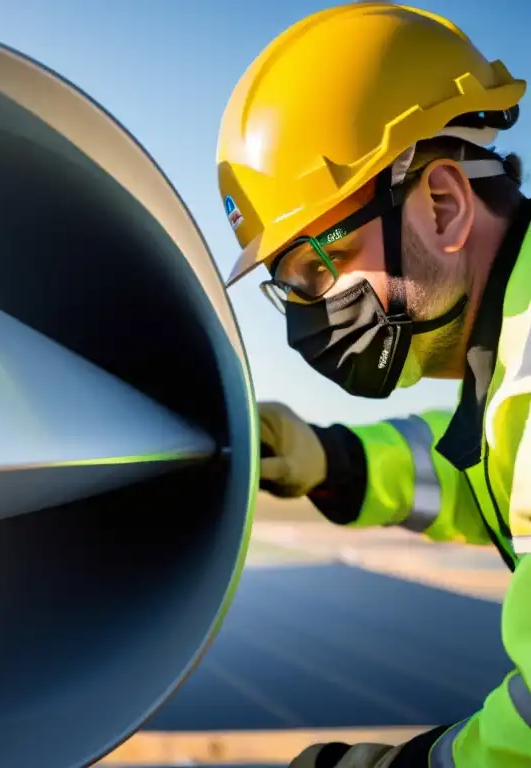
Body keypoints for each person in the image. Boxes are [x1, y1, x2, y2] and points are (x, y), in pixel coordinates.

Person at [216, 2, 531, 767]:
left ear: (444, 206)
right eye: (291, 287)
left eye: (321, 266)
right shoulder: (503, 370)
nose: (310, 316)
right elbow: (474, 470)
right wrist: (331, 458)